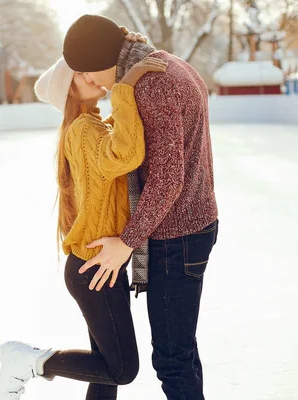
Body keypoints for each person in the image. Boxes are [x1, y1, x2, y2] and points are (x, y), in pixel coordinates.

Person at [0, 39, 167, 400]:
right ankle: (30, 361)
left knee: (104, 374)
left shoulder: (90, 127)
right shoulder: (84, 131)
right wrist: (125, 86)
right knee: (121, 369)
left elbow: (120, 136)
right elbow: (127, 153)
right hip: (93, 269)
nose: (93, 75)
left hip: (98, 265)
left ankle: (29, 360)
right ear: (69, 86)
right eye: (82, 74)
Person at [62, 15, 219, 400]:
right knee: (180, 354)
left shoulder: (154, 84)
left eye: (87, 69)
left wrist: (127, 242)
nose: (91, 80)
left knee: (172, 361)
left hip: (175, 235)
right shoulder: (165, 64)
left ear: (104, 58)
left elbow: (167, 180)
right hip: (191, 225)